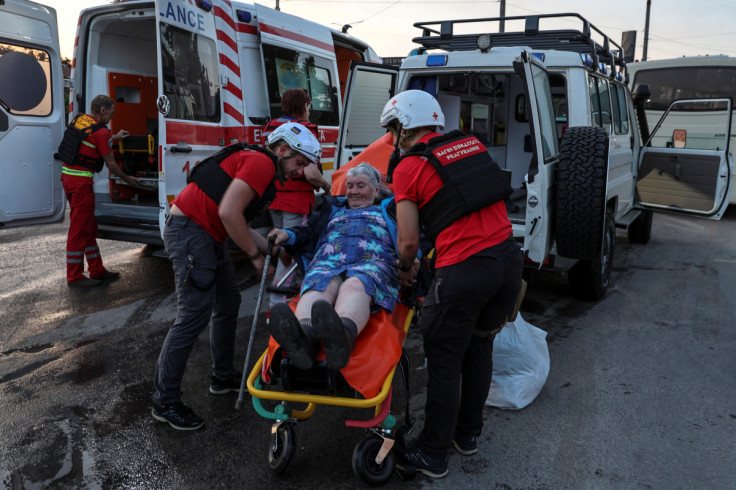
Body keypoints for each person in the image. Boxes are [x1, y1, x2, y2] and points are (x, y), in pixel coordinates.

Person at [381, 90, 523, 478]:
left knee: (444, 363)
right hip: (507, 262)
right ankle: (467, 436)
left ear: (401, 126)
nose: (393, 139)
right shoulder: (468, 142)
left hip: (465, 271)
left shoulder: (408, 167)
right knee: (478, 349)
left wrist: (405, 268)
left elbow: (408, 240)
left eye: (393, 130)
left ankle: (433, 454)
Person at [151, 122, 321, 431]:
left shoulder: (259, 161)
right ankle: (165, 401)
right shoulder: (262, 163)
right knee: (191, 317)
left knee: (228, 303)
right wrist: (258, 259)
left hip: (206, 235)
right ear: (282, 150)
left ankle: (222, 375)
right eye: (299, 163)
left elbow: (234, 218)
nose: (300, 171)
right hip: (192, 233)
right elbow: (229, 213)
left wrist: (270, 244)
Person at [266, 163, 404, 371]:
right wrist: (288, 234)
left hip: (372, 261)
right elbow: (308, 231)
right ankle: (305, 340)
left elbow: (414, 236)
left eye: (360, 185)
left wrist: (414, 258)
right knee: (319, 282)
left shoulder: (393, 208)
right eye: (349, 186)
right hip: (330, 259)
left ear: (376, 190)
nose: (353, 191)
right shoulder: (332, 207)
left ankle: (342, 339)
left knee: (356, 284)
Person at [56, 94, 140, 287]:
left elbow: (89, 137)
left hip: (68, 180)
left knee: (89, 228)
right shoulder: (101, 133)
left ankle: (97, 270)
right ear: (103, 111)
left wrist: (115, 136)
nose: (111, 117)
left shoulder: (80, 118)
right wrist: (129, 180)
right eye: (111, 114)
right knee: (78, 231)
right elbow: (111, 164)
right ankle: (74, 277)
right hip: (81, 186)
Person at [262, 88, 331, 229]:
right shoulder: (306, 130)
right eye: (308, 105)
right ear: (304, 106)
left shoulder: (269, 127)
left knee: (277, 241)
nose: (309, 110)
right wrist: (327, 187)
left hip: (272, 197)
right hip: (296, 201)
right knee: (293, 243)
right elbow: (311, 173)